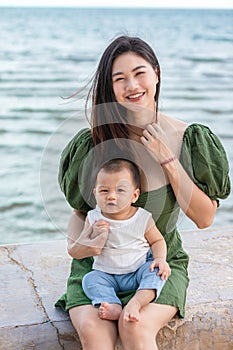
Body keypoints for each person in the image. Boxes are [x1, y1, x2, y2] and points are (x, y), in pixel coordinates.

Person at [55, 36, 231, 350]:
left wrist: (168, 160)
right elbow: (79, 211)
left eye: (140, 73)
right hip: (99, 268)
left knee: (134, 328)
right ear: (110, 89)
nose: (132, 85)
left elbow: (205, 218)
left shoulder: (188, 138)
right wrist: (79, 245)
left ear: (157, 74)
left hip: (156, 265)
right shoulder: (95, 143)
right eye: (119, 79)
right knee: (97, 336)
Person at [81, 158, 171, 323]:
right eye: (104, 191)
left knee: (157, 273)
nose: (112, 197)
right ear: (95, 193)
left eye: (120, 190)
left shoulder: (141, 218)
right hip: (106, 273)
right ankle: (112, 304)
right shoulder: (93, 217)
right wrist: (95, 233)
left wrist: (160, 258)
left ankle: (136, 302)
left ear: (134, 195)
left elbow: (157, 240)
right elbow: (85, 243)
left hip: (137, 270)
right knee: (89, 280)